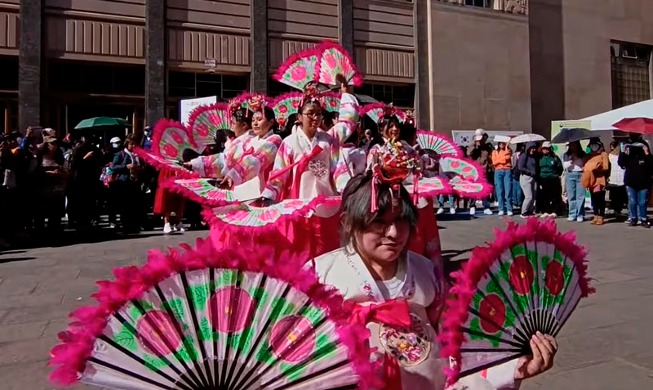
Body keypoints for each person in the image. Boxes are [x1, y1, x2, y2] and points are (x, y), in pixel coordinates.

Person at [308, 171, 558, 389]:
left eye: (401, 221)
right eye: (379, 222)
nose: (393, 233)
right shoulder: (320, 276)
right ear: (348, 223)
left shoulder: (424, 270)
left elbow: (459, 345)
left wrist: (512, 368)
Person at [619, 142, 653, 227]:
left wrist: (647, 153)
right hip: (630, 182)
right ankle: (633, 218)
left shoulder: (645, 155)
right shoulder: (628, 156)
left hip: (644, 183)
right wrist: (623, 152)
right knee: (632, 202)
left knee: (642, 202)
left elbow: (651, 164)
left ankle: (643, 219)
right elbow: (621, 163)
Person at [582, 138, 609, 226]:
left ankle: (601, 216)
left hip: (600, 180)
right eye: (592, 145)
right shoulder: (587, 156)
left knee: (600, 198)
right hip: (590, 180)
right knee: (593, 199)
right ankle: (595, 215)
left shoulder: (603, 154)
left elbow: (606, 167)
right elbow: (584, 166)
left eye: (595, 145)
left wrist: (599, 168)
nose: (594, 147)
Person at [466, 129, 494, 215]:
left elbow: (491, 156)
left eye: (483, 138)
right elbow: (468, 153)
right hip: (474, 171)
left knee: (485, 189)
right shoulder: (473, 146)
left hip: (484, 170)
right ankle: (472, 206)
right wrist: (474, 144)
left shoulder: (488, 147)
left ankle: (486, 206)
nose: (482, 140)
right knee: (474, 189)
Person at [537, 141, 563, 218]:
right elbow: (537, 168)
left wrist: (556, 175)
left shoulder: (555, 157)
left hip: (553, 179)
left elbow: (560, 168)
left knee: (555, 196)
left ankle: (555, 211)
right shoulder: (540, 158)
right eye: (544, 149)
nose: (545, 150)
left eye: (547, 149)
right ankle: (546, 211)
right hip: (543, 179)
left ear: (550, 149)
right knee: (545, 196)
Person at [562, 141, 586, 222]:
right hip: (570, 174)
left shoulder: (582, 153)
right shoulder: (566, 154)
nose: (572, 146)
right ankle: (572, 214)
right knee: (571, 195)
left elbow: (585, 164)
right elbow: (565, 166)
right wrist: (571, 160)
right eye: (570, 145)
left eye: (573, 144)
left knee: (580, 195)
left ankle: (580, 214)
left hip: (580, 174)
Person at [491, 139, 513, 216]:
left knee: (508, 190)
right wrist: (502, 160)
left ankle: (509, 209)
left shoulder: (508, 150)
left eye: (503, 143)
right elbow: (494, 162)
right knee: (499, 190)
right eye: (500, 143)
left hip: (507, 171)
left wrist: (500, 160)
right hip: (498, 171)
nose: (501, 144)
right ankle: (501, 209)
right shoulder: (494, 152)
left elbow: (508, 157)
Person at [517, 142, 539, 218]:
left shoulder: (534, 157)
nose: (533, 150)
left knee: (533, 196)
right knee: (528, 196)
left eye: (534, 148)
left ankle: (530, 211)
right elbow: (520, 167)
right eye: (531, 148)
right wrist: (530, 172)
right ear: (528, 148)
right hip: (525, 177)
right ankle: (524, 212)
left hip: (533, 178)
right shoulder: (523, 156)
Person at [607, 140, 627, 218]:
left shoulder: (620, 155)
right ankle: (617, 210)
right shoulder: (610, 155)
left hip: (619, 177)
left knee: (619, 196)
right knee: (616, 196)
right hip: (614, 178)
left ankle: (618, 210)